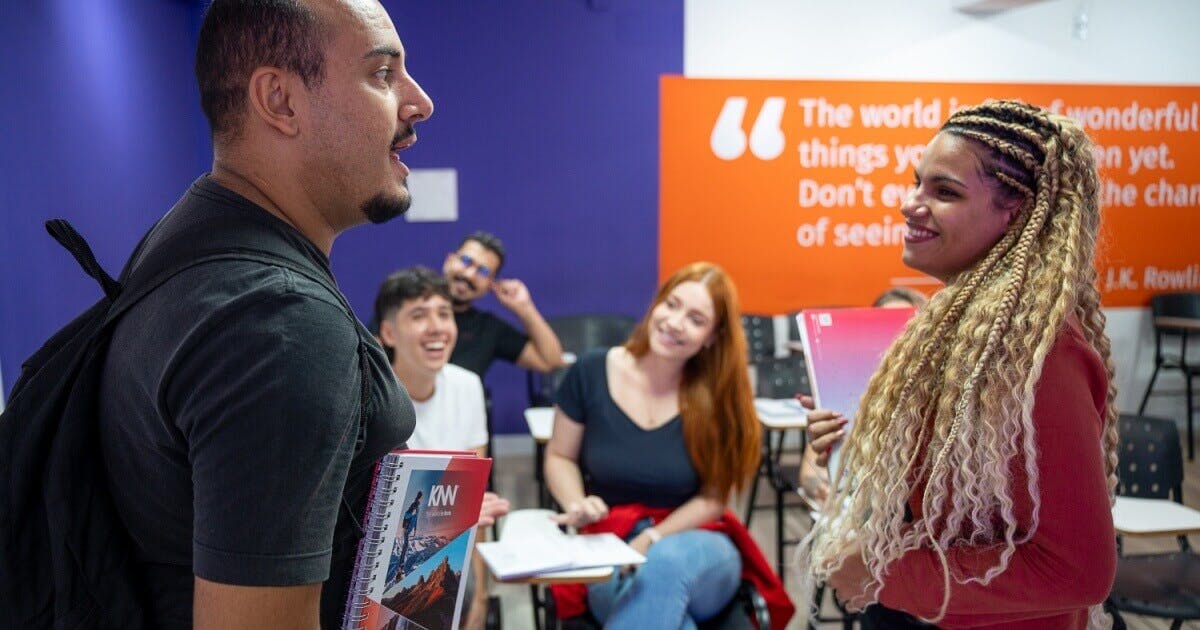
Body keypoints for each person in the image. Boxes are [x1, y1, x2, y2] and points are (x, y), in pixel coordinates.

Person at [96, 1, 433, 627]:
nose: (419, 102)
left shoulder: (192, 237)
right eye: (383, 74)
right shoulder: (277, 325)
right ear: (279, 100)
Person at [800, 100, 1118, 629]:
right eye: (917, 182)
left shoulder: (1044, 357)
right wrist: (859, 451)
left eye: (944, 191)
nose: (910, 203)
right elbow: (957, 505)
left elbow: (1078, 570)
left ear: (1015, 212)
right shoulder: (962, 330)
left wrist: (884, 575)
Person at [543, 262, 794, 629]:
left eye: (695, 319)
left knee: (664, 565)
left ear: (712, 336)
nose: (675, 323)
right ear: (656, 304)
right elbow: (560, 456)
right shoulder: (592, 370)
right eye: (671, 304)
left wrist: (651, 538)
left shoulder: (718, 397)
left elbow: (714, 498)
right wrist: (576, 502)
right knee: (669, 615)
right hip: (609, 544)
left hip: (697, 543)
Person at [374, 265, 511, 629]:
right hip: (378, 559)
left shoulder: (467, 387)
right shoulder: (371, 397)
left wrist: (480, 598)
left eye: (444, 314)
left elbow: (475, 509)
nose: (436, 327)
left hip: (443, 555)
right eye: (419, 316)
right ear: (388, 332)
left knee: (458, 596)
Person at [443, 231, 565, 377]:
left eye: (482, 271)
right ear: (449, 260)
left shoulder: (487, 328)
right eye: (466, 261)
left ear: (490, 283)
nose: (469, 275)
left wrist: (525, 308)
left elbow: (551, 361)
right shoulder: (411, 306)